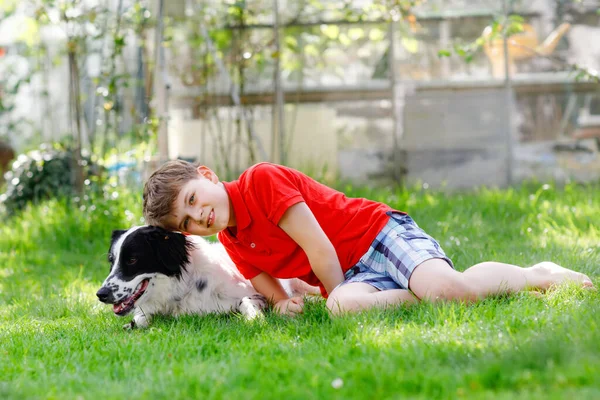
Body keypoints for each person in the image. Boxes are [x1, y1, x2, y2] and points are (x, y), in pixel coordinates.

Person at [142, 161, 594, 315]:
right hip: (350, 273)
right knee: (341, 306)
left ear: (207, 176)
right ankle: (422, 290)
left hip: (375, 234)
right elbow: (273, 292)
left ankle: (538, 274)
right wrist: (285, 304)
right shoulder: (236, 244)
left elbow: (318, 246)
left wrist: (332, 291)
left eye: (194, 199)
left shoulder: (260, 182)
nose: (199, 217)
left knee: (451, 292)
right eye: (186, 222)